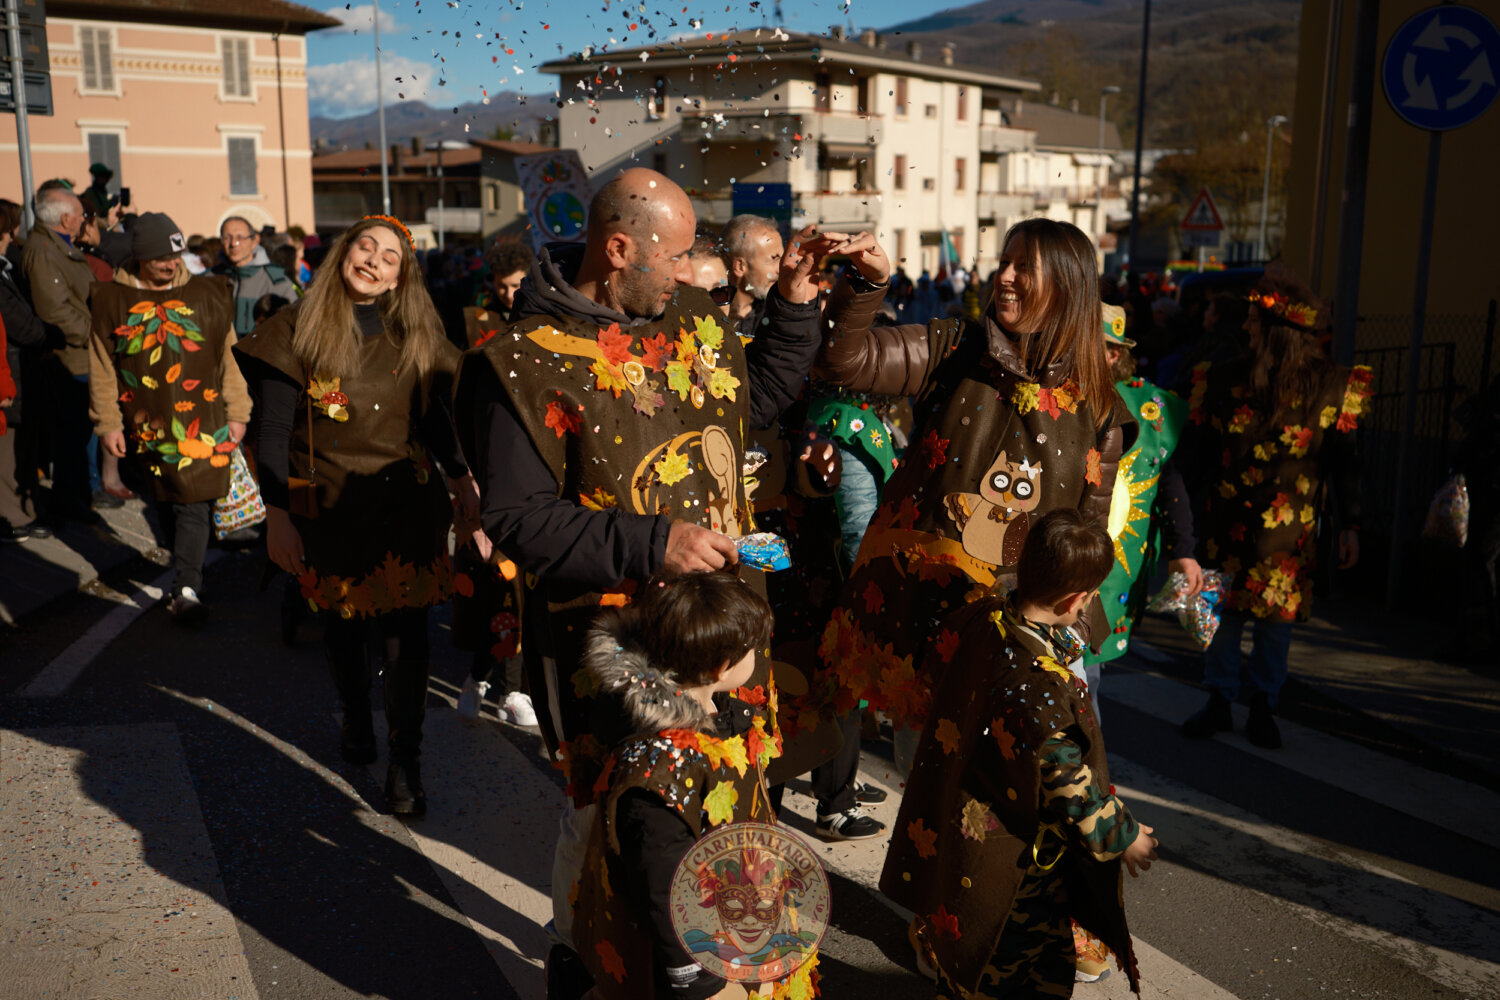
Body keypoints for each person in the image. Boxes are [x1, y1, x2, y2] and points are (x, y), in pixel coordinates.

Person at [454, 168, 835, 951]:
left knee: (729, 792)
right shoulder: (520, 364)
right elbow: (518, 519)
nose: (692, 271)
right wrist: (654, 541)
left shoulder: (687, 314)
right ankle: (584, 960)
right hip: (614, 643)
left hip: (721, 629)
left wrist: (795, 306)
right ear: (620, 250)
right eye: (678, 255)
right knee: (608, 817)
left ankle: (718, 952)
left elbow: (754, 401)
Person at [799, 218, 1132, 836]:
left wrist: (1075, 630)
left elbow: (1089, 534)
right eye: (1003, 262)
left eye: (1024, 267)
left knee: (1027, 795)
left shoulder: (1102, 406)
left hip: (1030, 632)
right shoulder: (954, 345)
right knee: (934, 786)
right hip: (934, 617)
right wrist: (865, 285)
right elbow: (844, 362)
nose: (1003, 277)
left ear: (1067, 286)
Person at [235, 214, 475, 816]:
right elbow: (273, 433)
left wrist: (461, 479)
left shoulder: (415, 334)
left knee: (406, 636)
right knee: (342, 627)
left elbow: (434, 418)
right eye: (366, 247)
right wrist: (279, 517)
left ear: (399, 279)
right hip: (321, 502)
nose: (373, 261)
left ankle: (405, 762)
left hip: (406, 504)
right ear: (344, 252)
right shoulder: (292, 328)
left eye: (389, 258)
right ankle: (356, 719)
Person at [882, 509, 1157, 998]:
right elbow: (1068, 785)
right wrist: (1125, 835)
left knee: (983, 961)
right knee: (1004, 972)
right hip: (1012, 869)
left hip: (968, 832)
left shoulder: (986, 617)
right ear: (1077, 600)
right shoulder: (1041, 688)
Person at [566, 571, 811, 1000]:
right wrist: (697, 978)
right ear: (720, 669)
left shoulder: (720, 715)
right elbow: (665, 885)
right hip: (690, 959)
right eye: (751, 649)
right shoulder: (660, 773)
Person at [1178, 266, 1368, 749]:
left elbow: (1345, 462)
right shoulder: (1222, 378)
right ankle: (1218, 699)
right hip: (1222, 522)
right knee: (1220, 618)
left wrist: (1352, 524)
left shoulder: (1333, 386)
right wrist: (1178, 525)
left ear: (1279, 331)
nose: (1245, 327)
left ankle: (1265, 703)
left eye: (1254, 320)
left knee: (1274, 625)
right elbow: (1195, 455)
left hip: (1288, 534)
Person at [88, 213, 250, 618]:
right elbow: (103, 369)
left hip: (204, 418)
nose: (171, 263)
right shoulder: (111, 301)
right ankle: (186, 569)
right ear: (140, 256)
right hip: (147, 425)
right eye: (161, 257)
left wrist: (238, 410)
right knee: (165, 499)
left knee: (192, 500)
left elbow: (228, 358)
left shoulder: (209, 294)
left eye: (175, 255)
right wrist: (107, 423)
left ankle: (186, 588)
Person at [1081, 304, 1196, 686]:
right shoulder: (1049, 390)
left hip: (1109, 565)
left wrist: (1182, 550)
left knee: (1085, 675)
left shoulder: (1148, 407)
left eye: (1089, 342)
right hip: (1045, 556)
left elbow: (1170, 483)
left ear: (1114, 354)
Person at [22, 184, 103, 523]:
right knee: (71, 435)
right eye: (81, 214)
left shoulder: (57, 246)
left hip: (79, 354)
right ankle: (70, 501)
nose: (85, 220)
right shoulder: (44, 252)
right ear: (66, 218)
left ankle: (78, 498)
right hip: (70, 356)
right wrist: (94, 335)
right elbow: (55, 312)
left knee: (78, 432)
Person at [0, 199, 57, 541]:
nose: (13, 236)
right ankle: (12, 516)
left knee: (22, 448)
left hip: (19, 370)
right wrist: (52, 334)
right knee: (9, 452)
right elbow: (19, 325)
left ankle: (27, 510)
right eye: (9, 229)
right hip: (10, 372)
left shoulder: (7, 268)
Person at [215, 216, 298, 336]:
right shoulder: (210, 279)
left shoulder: (277, 282)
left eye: (240, 237)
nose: (233, 243)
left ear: (254, 240)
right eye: (227, 238)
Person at [720, 214, 782, 339]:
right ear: (740, 266)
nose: (780, 269)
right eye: (773, 259)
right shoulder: (709, 314)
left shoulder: (778, 314)